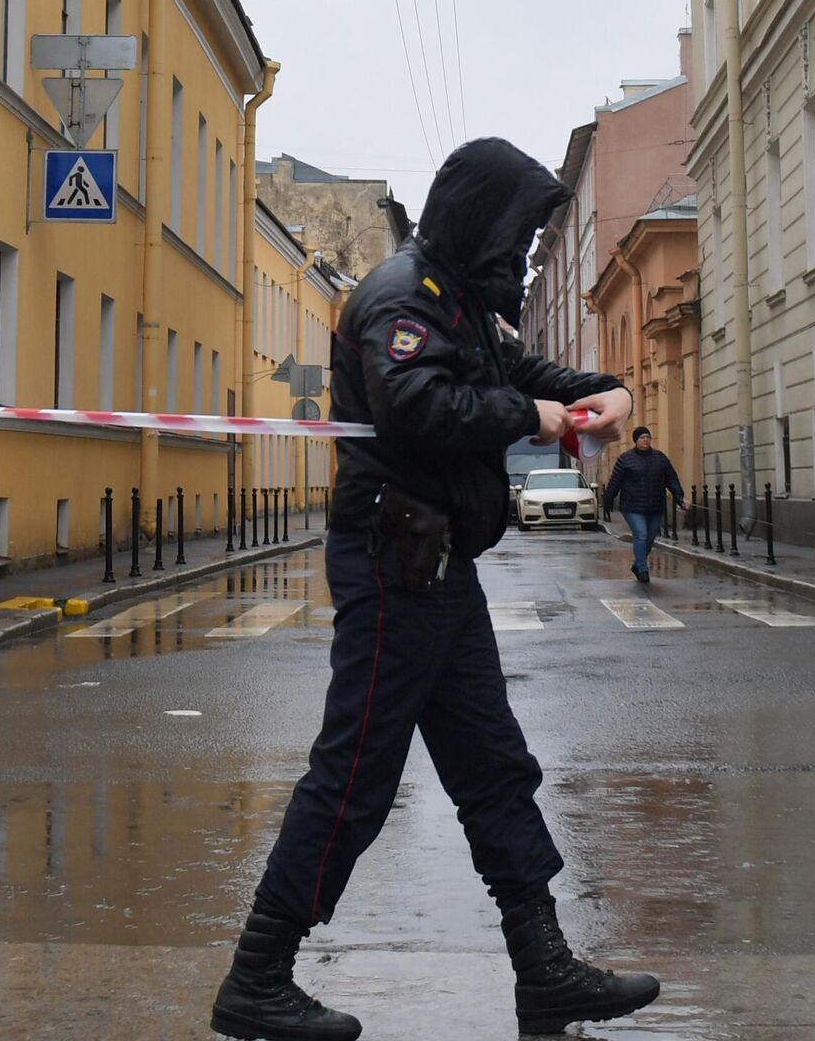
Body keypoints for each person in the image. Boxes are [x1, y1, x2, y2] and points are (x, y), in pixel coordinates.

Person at [209, 138, 660, 1041]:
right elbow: (412, 403)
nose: (527, 249)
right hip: (393, 557)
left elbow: (516, 372)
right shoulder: (400, 296)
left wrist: (597, 390)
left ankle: (545, 971)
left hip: (439, 566)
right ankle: (258, 977)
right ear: (481, 216)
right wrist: (530, 418)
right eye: (523, 229)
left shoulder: (453, 300)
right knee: (355, 774)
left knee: (494, 767)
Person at [601, 426, 685, 583]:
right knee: (641, 534)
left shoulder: (660, 458)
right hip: (632, 505)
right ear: (636, 440)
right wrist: (608, 500)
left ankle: (637, 564)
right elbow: (615, 482)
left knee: (651, 536)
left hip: (655, 504)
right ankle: (642, 568)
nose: (645, 440)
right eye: (642, 437)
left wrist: (679, 497)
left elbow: (671, 479)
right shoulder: (626, 459)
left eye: (648, 437)